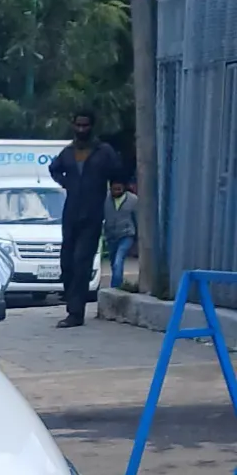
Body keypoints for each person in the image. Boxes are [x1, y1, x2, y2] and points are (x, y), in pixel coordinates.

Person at [48, 108, 120, 327]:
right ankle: (70, 298)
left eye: (85, 125)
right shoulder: (68, 153)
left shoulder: (103, 151)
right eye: (78, 125)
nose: (81, 129)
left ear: (91, 127)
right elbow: (54, 169)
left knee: (82, 261)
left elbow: (118, 173)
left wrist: (112, 188)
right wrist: (66, 182)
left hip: (92, 214)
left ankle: (75, 313)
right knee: (67, 262)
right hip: (71, 213)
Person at [104, 178, 138, 288]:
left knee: (119, 260)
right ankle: (119, 283)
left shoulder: (133, 200)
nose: (116, 192)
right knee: (113, 263)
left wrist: (137, 238)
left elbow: (137, 218)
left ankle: (115, 287)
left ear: (124, 188)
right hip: (111, 235)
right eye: (114, 189)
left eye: (119, 189)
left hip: (127, 234)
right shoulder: (105, 198)